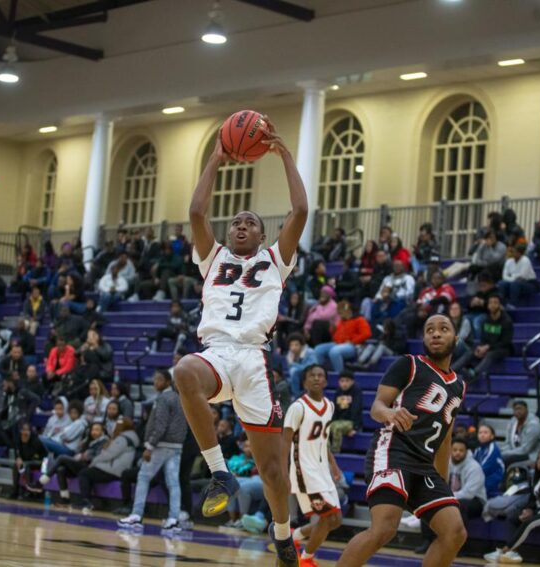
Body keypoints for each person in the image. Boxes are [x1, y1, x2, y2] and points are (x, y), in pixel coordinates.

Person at [174, 118, 307, 566]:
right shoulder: (211, 258)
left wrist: (285, 156)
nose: (241, 225)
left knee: (272, 471)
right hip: (215, 355)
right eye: (236, 222)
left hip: (252, 363)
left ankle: (284, 535)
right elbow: (196, 213)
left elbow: (301, 211)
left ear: (263, 235)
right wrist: (215, 157)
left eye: (250, 222)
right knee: (182, 372)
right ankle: (219, 473)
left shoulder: (275, 260)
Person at [336, 314, 467, 567]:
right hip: (393, 450)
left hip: (424, 464)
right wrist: (390, 413)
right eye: (429, 329)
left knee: (455, 532)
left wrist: (441, 481)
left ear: (456, 338)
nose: (436, 333)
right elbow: (377, 406)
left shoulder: (459, 385)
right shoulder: (408, 364)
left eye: (443, 329)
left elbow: (445, 436)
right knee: (385, 528)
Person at [283, 365, 343, 566]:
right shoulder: (298, 407)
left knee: (336, 520)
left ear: (326, 381)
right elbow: (285, 441)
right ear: (304, 381)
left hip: (322, 470)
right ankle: (306, 559)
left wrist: (333, 465)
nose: (316, 379)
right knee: (326, 518)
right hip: (304, 472)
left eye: (320, 375)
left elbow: (323, 441)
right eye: (312, 376)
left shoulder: (330, 405)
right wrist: (283, 472)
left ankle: (293, 537)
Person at [118, 369, 187, 529]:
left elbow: (160, 424)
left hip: (161, 445)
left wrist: (150, 445)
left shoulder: (163, 398)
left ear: (168, 382)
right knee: (173, 482)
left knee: (143, 477)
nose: (155, 382)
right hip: (177, 445)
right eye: (155, 379)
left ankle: (136, 514)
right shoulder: (181, 398)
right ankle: (173, 519)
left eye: (159, 379)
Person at [484, 449, 540, 564]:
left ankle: (505, 550)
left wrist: (535, 513)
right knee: (512, 518)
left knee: (529, 522)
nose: (539, 461)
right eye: (538, 458)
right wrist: (528, 509)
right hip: (539, 511)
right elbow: (532, 499)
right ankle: (513, 553)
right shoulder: (538, 476)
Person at [415, 437, 486, 555]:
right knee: (429, 501)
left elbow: (468, 493)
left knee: (460, 506)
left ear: (466, 452)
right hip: (452, 497)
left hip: (475, 501)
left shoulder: (474, 467)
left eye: (461, 450)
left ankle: (459, 546)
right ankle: (427, 541)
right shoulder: (446, 462)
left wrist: (447, 498)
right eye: (455, 450)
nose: (457, 453)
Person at [76, 418, 140, 513]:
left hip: (114, 470)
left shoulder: (123, 439)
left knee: (84, 473)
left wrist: (94, 462)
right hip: (117, 469)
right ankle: (93, 501)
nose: (115, 427)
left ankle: (86, 501)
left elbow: (109, 454)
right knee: (89, 472)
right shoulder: (130, 438)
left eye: (117, 425)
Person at [452, 294, 513, 383]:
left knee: (490, 354)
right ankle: (451, 371)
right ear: (487, 305)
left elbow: (505, 342)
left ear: (500, 305)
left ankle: (473, 373)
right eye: (490, 303)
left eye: (495, 303)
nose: (492, 305)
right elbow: (483, 339)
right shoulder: (485, 320)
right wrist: (481, 347)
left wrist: (488, 347)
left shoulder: (507, 321)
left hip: (503, 349)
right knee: (472, 351)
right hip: (488, 347)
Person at [40, 422, 107, 503]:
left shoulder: (105, 442)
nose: (94, 432)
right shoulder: (88, 440)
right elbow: (78, 454)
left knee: (62, 457)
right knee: (61, 469)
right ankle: (65, 498)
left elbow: (99, 457)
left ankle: (42, 481)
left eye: (97, 430)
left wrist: (86, 456)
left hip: (91, 468)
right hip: (81, 465)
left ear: (102, 431)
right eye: (92, 430)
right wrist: (81, 453)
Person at [313, 301, 372, 373]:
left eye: (341, 312)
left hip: (353, 346)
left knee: (334, 352)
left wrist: (353, 341)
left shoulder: (359, 319)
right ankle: (321, 372)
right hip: (338, 343)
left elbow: (367, 334)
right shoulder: (342, 321)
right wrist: (333, 330)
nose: (340, 315)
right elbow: (336, 337)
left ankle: (340, 374)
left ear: (348, 311)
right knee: (318, 349)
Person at [328, 370, 363, 454]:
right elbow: (335, 410)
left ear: (352, 381)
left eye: (347, 381)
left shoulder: (356, 392)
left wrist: (355, 428)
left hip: (351, 422)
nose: (344, 383)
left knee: (337, 428)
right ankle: (326, 452)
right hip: (339, 421)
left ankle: (335, 453)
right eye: (342, 381)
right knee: (326, 427)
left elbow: (356, 410)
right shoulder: (338, 392)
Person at [500, 400, 540, 466]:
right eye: (515, 409)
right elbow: (508, 443)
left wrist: (505, 453)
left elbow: (525, 449)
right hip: (515, 452)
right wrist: (500, 451)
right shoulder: (512, 421)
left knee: (505, 458)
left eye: (520, 408)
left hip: (531, 454)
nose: (517, 411)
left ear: (526, 410)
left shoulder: (534, 424)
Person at [11, 422, 47, 499]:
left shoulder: (35, 440)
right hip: (28, 461)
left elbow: (29, 455)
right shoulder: (18, 439)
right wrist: (18, 458)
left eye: (27, 430)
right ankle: (15, 491)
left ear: (30, 431)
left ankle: (30, 491)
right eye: (23, 430)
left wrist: (25, 443)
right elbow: (16, 452)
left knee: (25, 465)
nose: (25, 432)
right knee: (15, 465)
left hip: (41, 461)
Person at [474, 423, 505, 498]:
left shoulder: (493, 448)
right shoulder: (478, 449)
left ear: (492, 436)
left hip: (493, 481)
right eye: (480, 432)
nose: (482, 435)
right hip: (482, 478)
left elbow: (485, 468)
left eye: (485, 432)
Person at [285, 333, 318, 398]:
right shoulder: (290, 355)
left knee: (294, 370)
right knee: (283, 384)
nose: (293, 347)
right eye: (291, 345)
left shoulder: (310, 352)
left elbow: (312, 368)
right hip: (298, 379)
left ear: (301, 345)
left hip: (311, 376)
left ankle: (296, 397)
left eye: (296, 345)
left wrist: (293, 364)